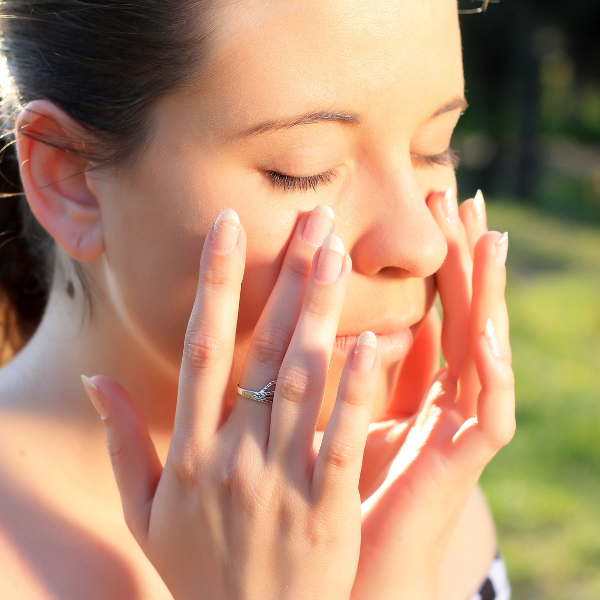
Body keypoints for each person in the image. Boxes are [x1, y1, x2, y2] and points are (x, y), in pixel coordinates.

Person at [0, 0, 515, 598]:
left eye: (434, 147)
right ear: (71, 182)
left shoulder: (420, 491)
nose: (420, 245)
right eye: (305, 170)